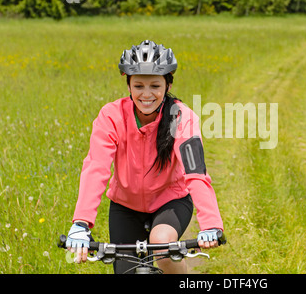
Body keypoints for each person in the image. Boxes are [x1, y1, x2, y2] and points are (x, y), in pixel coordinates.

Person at [65, 40, 224, 274]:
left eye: (155, 86)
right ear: (128, 84)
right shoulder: (111, 116)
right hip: (125, 206)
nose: (146, 94)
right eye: (138, 85)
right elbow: (96, 167)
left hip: (170, 201)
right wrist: (81, 223)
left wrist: (210, 223)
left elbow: (195, 171)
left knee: (162, 246)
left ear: (168, 85)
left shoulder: (182, 117)